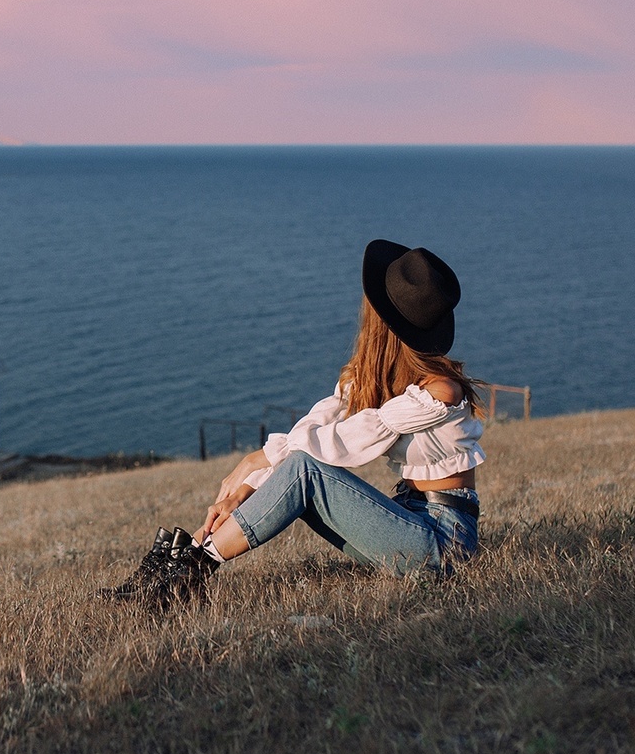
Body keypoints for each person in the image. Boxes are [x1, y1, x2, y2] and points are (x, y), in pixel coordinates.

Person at [100, 239, 486, 611]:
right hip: (406, 519)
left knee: (305, 469)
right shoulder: (375, 378)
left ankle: (190, 571)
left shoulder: (440, 393)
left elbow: (342, 444)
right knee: (299, 466)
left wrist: (260, 457)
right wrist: (243, 491)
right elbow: (316, 424)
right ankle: (190, 557)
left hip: (443, 540)